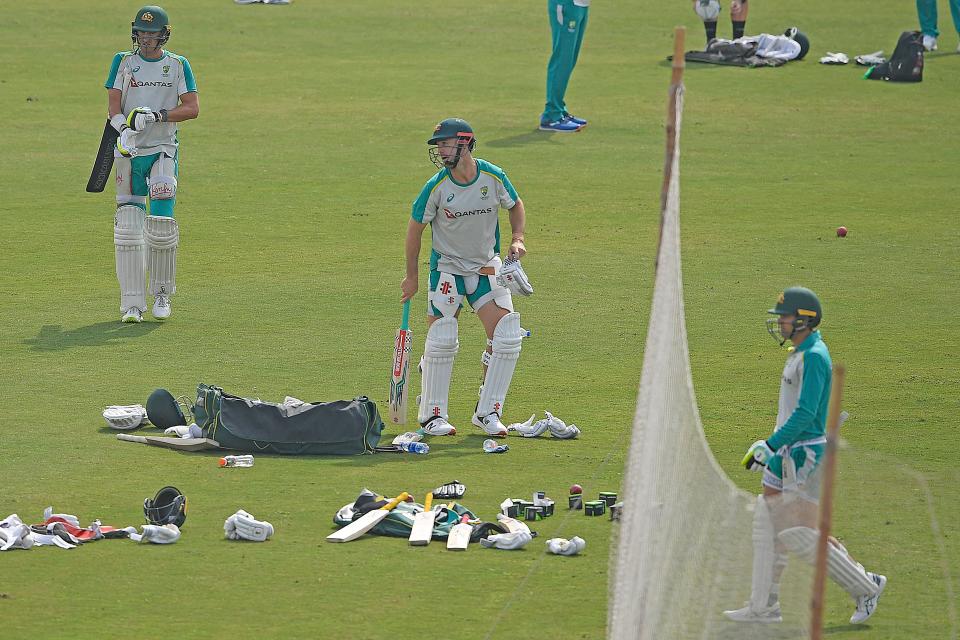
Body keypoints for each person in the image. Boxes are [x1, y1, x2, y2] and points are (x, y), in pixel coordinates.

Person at [723, 287, 886, 625]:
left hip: (804, 455)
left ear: (803, 320)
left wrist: (769, 445)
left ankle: (866, 586)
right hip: (786, 450)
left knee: (800, 535)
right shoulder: (800, 351)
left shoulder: (815, 356)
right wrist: (772, 445)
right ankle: (765, 605)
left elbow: (806, 414)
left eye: (784, 317)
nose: (779, 322)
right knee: (769, 522)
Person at [401, 118, 529, 437]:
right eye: (439, 146)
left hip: (486, 266)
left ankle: (487, 413)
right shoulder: (436, 187)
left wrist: (518, 238)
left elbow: (515, 205)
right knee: (443, 337)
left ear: (464, 143)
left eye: (446, 144)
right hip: (447, 268)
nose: (441, 151)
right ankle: (432, 415)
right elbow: (415, 230)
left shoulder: (492, 176)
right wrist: (412, 277)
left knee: (507, 334)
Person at [105, 5, 199, 323]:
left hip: (162, 150)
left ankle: (161, 294)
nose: (146, 38)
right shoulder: (123, 62)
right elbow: (114, 110)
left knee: (160, 227)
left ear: (164, 34)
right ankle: (132, 304)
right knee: (129, 229)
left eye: (152, 33)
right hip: (128, 153)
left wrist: (158, 116)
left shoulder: (176, 65)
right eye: (142, 32)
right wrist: (124, 132)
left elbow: (192, 108)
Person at [540, 0, 590, 132]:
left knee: (569, 60)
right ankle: (551, 116)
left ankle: (559, 110)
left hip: (581, 4)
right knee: (562, 59)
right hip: (566, 4)